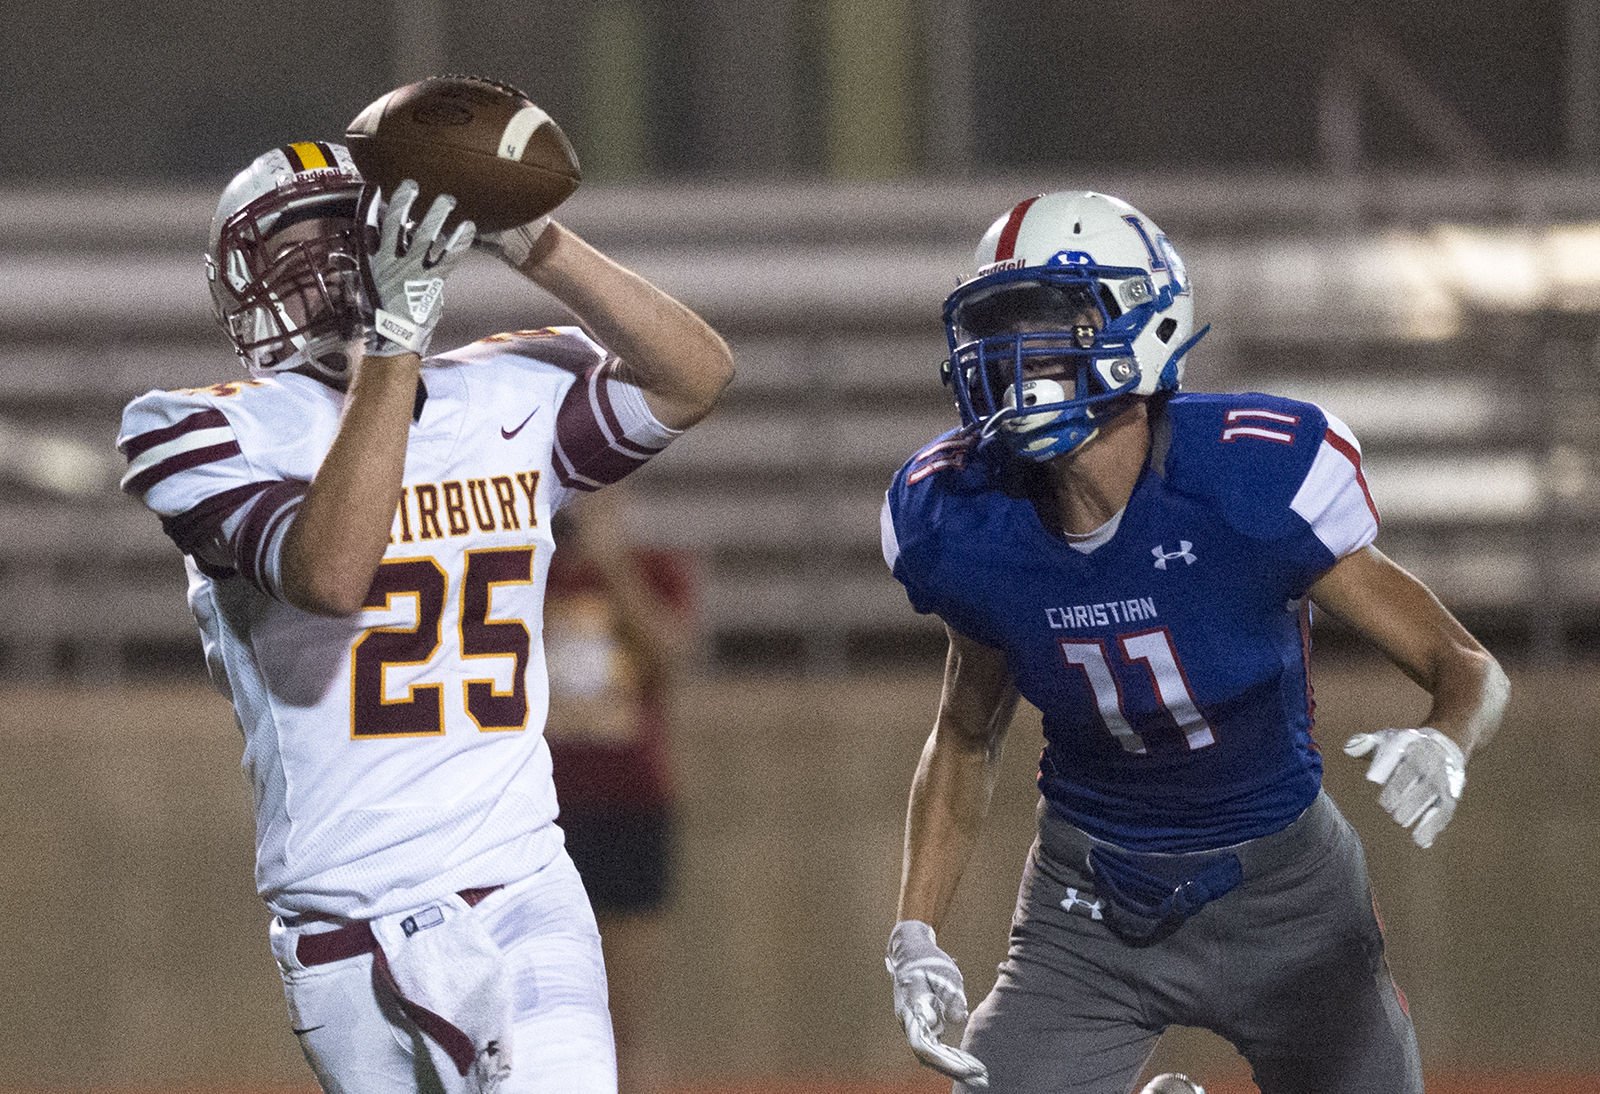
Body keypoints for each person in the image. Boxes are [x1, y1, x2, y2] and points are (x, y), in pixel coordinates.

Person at [116, 132, 733, 1094]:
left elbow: (696, 377)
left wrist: (537, 241)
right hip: (351, 920)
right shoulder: (200, 425)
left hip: (525, 883)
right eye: (295, 246)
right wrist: (391, 349)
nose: (326, 265)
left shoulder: (504, 387)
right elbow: (332, 574)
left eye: (343, 235)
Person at [879, 191, 1508, 1094]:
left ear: (1148, 317)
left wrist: (1448, 736)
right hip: (1088, 907)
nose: (1016, 360)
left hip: (1288, 899)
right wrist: (915, 931)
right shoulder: (970, 518)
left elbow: (1466, 663)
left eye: (1053, 324)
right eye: (998, 327)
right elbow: (967, 731)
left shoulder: (1245, 482)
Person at [544, 488, 688, 1094]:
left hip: (631, 806)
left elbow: (669, 656)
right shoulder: (526, 570)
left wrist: (611, 564)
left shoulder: (654, 570)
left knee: (619, 1017)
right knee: (540, 1014)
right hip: (540, 813)